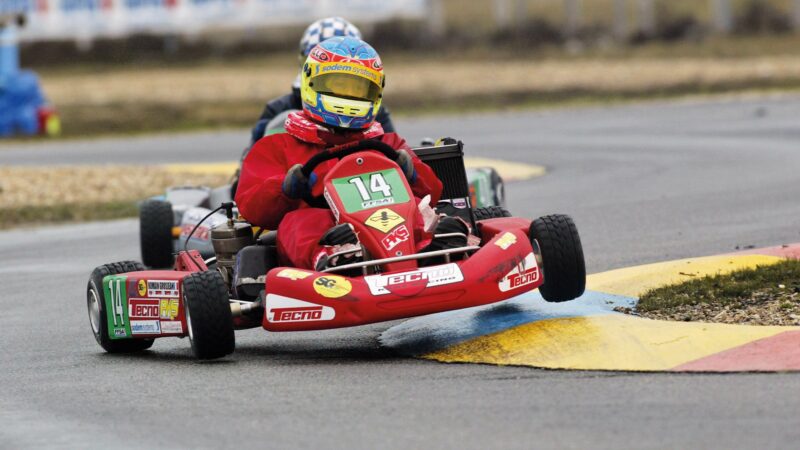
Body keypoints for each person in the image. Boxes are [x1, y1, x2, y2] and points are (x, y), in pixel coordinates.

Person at [235, 37, 466, 271]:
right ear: (311, 83)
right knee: (297, 223)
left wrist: (412, 173)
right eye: (338, 85)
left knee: (416, 206)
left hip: (388, 221)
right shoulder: (277, 146)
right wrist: (284, 189)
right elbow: (251, 208)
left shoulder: (386, 142)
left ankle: (434, 247)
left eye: (357, 89)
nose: (347, 97)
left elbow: (432, 192)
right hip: (326, 229)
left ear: (374, 93)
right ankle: (336, 257)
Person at [247, 17, 395, 147]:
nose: (344, 86)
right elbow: (252, 166)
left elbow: (395, 157)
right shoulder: (279, 110)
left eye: (352, 79)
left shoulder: (374, 115)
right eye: (335, 81)